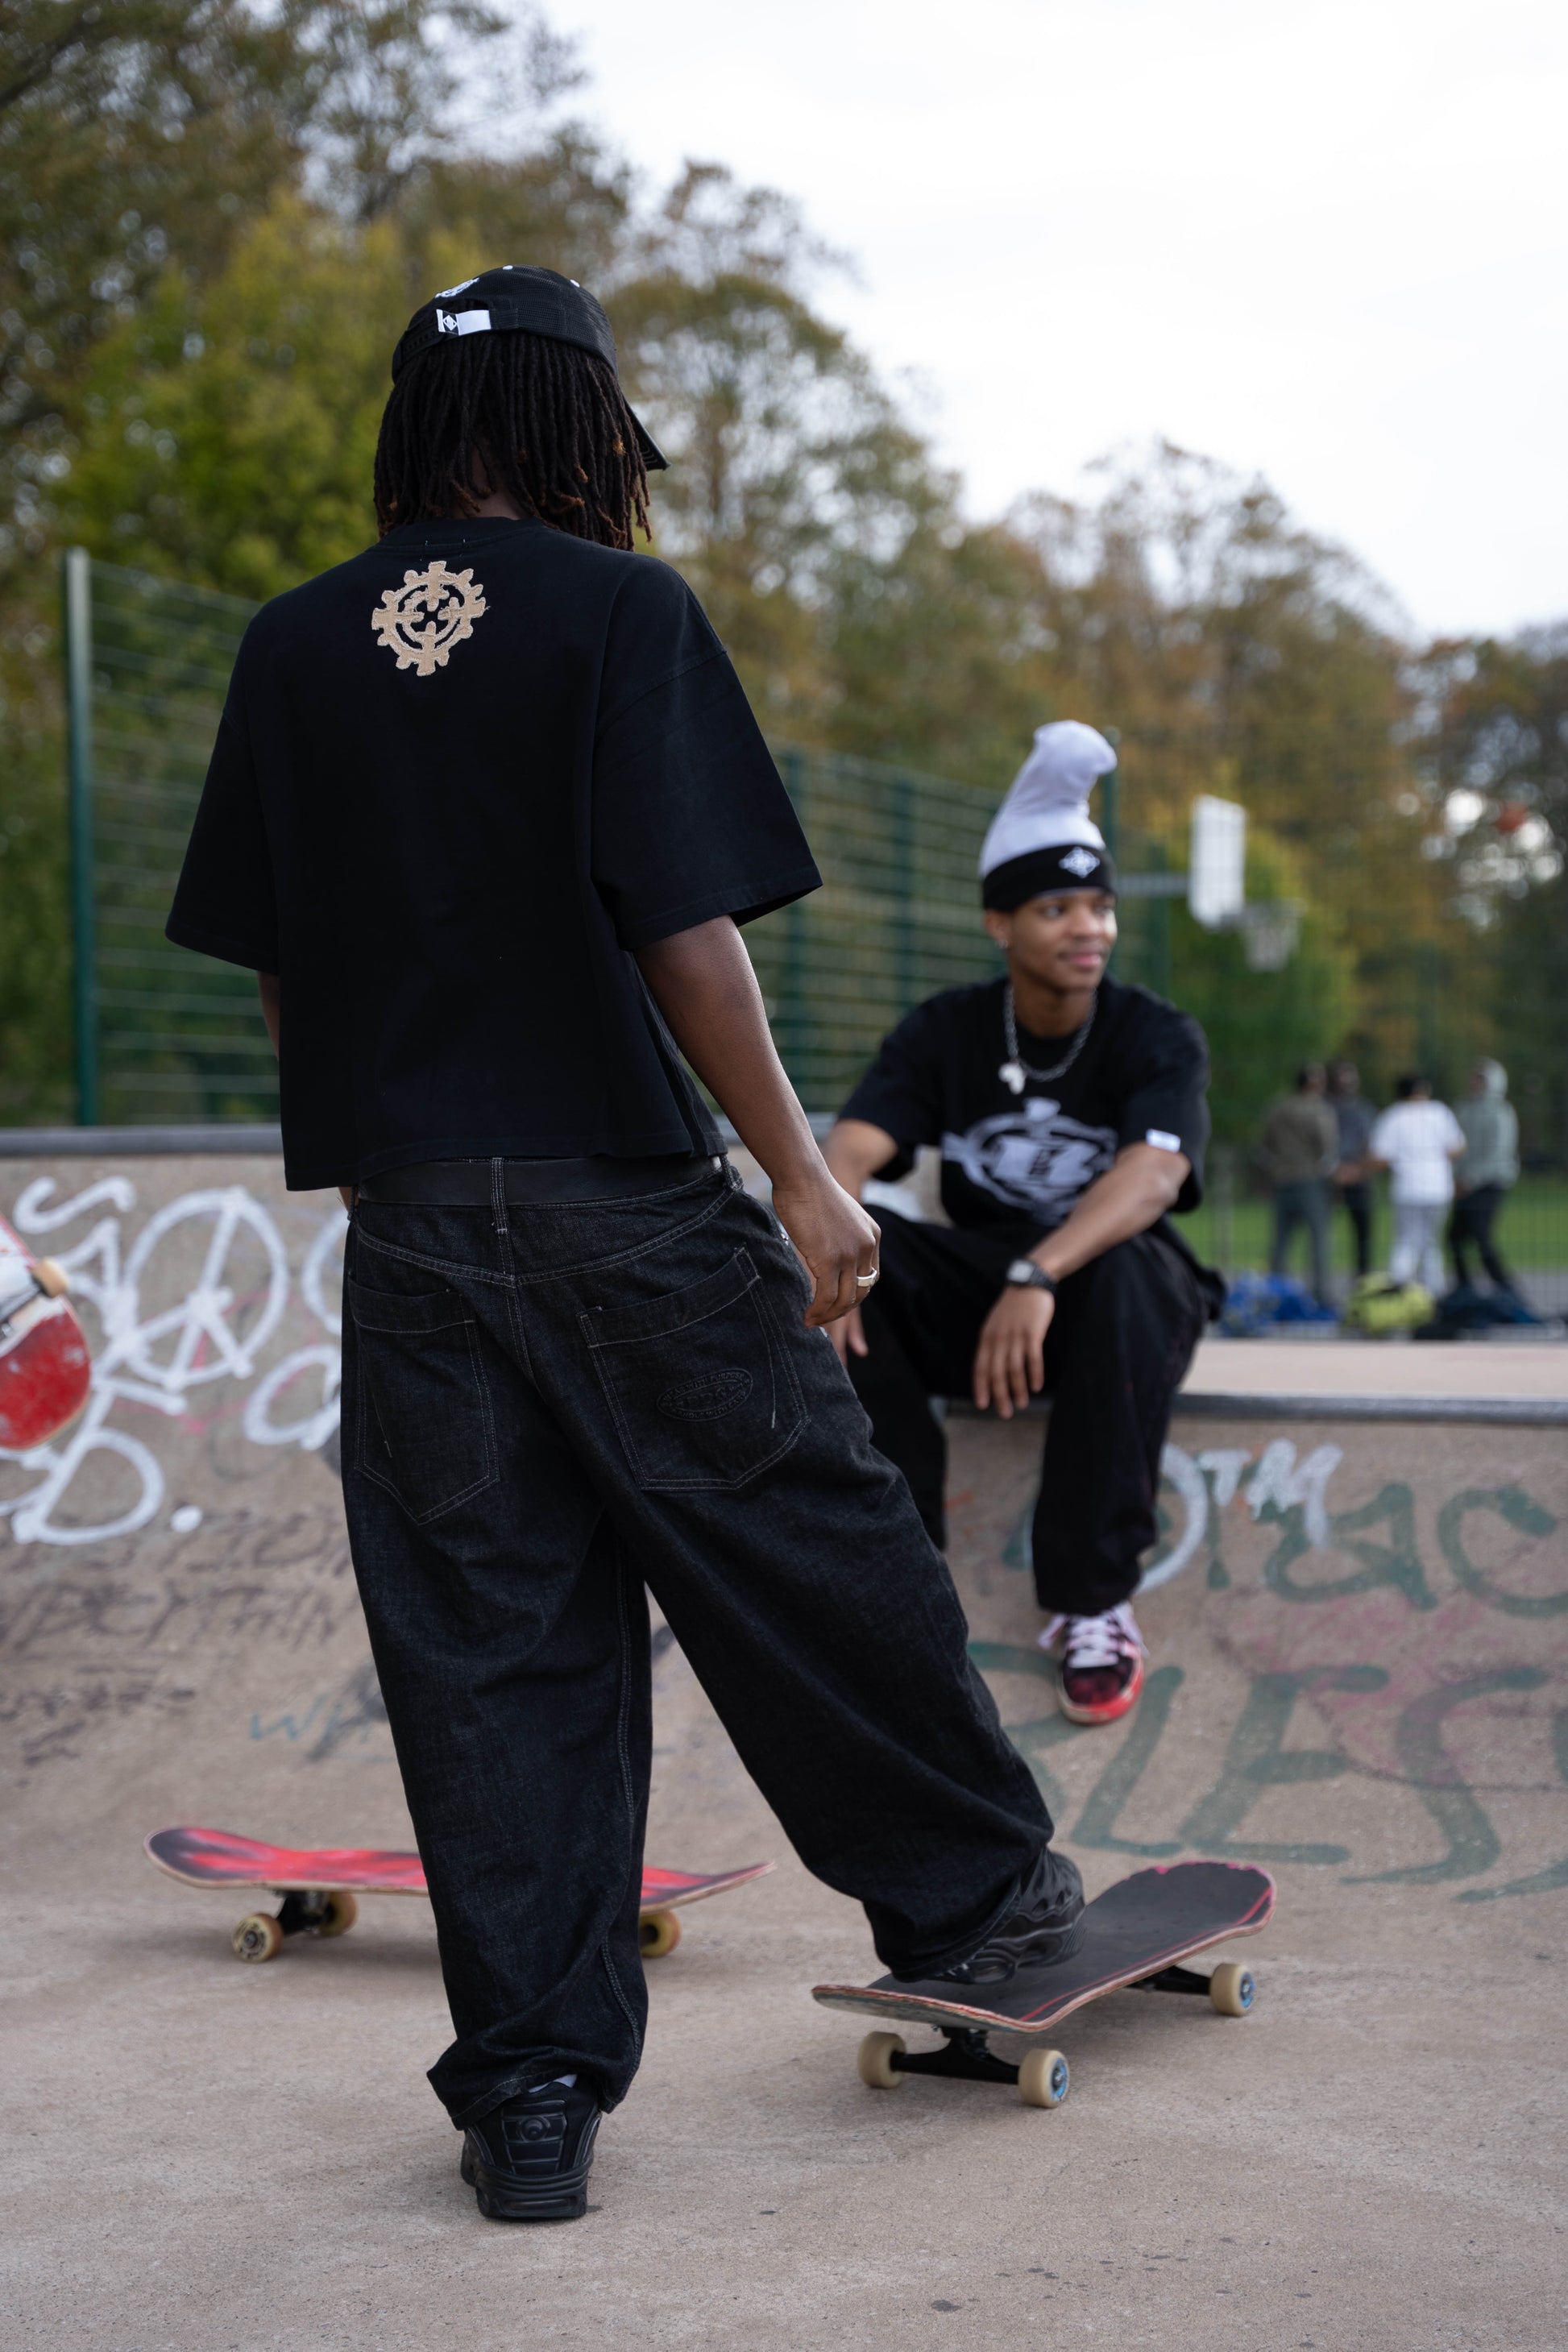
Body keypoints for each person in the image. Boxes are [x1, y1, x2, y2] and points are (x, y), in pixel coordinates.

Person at [164, 268, 1081, 2226]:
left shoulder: (293, 642)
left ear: (419, 422)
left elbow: (280, 963)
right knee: (810, 1548)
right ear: (578, 420)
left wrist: (390, 1146)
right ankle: (979, 1902)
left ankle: (532, 2091)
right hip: (624, 1202)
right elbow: (682, 924)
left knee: (490, 1649)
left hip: (414, 1228)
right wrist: (804, 1180)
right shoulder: (616, 610)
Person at [822, 722, 1223, 1732]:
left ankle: (1092, 1605)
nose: (1088, 929)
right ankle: (901, 1576)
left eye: (1100, 907)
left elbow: (1152, 1175)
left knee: (1128, 1265)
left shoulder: (1153, 1033)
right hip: (983, 1295)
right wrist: (826, 1248)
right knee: (861, 1256)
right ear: (999, 923)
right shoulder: (946, 1029)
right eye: (1056, 909)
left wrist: (1036, 1274)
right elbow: (849, 1151)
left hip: (1103, 1296)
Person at [1368, 1073, 1464, 1292]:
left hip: (1407, 1187)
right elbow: (1457, 1146)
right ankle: (1435, 1292)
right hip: (1438, 1187)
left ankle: (1398, 1288)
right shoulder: (1440, 1112)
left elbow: (1380, 1156)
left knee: (1406, 1240)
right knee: (1431, 1242)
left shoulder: (1394, 1115)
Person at [1257, 1065, 1339, 1308]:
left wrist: (1275, 1168)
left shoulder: (1278, 1108)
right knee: (1319, 1239)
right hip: (1310, 1179)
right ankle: (1321, 1294)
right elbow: (1327, 1146)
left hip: (1282, 1178)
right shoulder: (1319, 1109)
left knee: (1281, 1241)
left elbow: (1264, 1145)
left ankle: (1275, 1294)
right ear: (1315, 1084)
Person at [1450, 1058, 1521, 1294]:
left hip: (1490, 1182)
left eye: (1480, 1078)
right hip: (1463, 1183)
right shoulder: (1464, 1108)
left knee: (1480, 1234)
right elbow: (1456, 1147)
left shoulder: (1501, 1112)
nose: (1474, 1081)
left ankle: (1505, 1286)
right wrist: (1455, 1177)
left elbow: (1498, 1153)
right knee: (1455, 1237)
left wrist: (1470, 1179)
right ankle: (1464, 1287)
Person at [1326, 1059, 1377, 1277]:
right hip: (1330, 1175)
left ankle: (1363, 1275)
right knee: (1322, 1229)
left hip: (1358, 1175)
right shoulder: (1326, 1107)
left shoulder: (1365, 1109)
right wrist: (1335, 1169)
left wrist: (1357, 1169)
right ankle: (1323, 1277)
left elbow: (1371, 1142)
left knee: (1363, 1229)